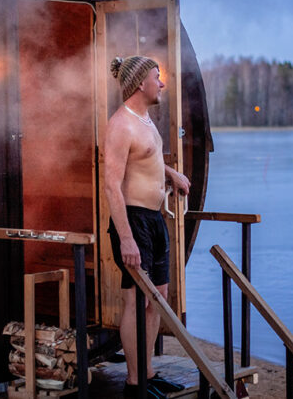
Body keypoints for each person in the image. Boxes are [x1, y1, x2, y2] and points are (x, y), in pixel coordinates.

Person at [104, 56, 190, 398]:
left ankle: (148, 373)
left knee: (159, 298)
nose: (162, 83)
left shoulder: (144, 119)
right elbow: (111, 186)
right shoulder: (120, 125)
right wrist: (126, 239)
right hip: (133, 221)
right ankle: (134, 382)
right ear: (141, 83)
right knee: (137, 300)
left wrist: (171, 174)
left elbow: (146, 157)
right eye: (157, 77)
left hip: (154, 219)